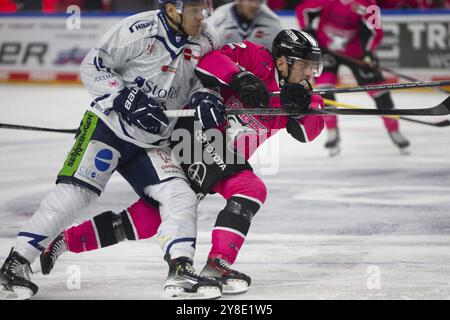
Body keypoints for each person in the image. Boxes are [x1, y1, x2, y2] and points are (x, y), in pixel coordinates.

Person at [39, 29, 325, 297]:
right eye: (306, 65)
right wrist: (239, 78)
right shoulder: (254, 56)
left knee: (147, 220)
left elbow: (309, 132)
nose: (312, 72)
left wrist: (301, 109)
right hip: (193, 134)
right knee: (249, 188)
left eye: (315, 66)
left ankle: (66, 240)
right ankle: (217, 265)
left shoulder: (305, 92)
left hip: (218, 157)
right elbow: (210, 61)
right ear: (282, 62)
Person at [0, 0, 223, 300]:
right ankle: (15, 263)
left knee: (179, 194)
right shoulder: (137, 30)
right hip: (108, 126)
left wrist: (205, 97)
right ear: (172, 10)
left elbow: (204, 82)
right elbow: (92, 65)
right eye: (196, 10)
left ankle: (180, 268)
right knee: (76, 194)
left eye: (205, 8)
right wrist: (124, 98)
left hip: (153, 139)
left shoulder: (207, 39)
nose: (203, 16)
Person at [296, 0, 410, 156]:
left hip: (356, 53)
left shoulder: (368, 5)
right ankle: (332, 131)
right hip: (327, 50)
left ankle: (394, 130)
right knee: (325, 90)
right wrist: (307, 30)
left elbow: (376, 31)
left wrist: (369, 52)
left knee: (380, 92)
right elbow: (303, 10)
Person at [207, 0, 283, 50]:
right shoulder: (217, 20)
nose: (255, 5)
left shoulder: (272, 22)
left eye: (259, 1)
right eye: (250, 0)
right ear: (238, 1)